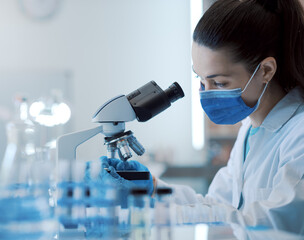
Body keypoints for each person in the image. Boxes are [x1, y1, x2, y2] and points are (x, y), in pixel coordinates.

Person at [99, 0, 304, 235]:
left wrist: (160, 215)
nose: (206, 93)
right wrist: (151, 187)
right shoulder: (250, 129)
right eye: (200, 79)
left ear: (266, 70)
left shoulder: (299, 135)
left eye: (219, 82)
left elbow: (275, 224)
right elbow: (216, 205)